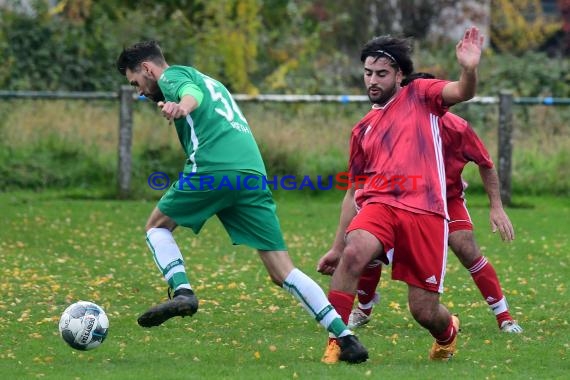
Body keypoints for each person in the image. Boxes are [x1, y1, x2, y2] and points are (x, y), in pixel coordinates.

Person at [115, 40, 368, 363]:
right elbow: (201, 92)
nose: (139, 91)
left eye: (136, 82)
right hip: (252, 176)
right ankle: (345, 338)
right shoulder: (209, 80)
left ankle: (182, 292)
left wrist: (181, 107)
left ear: (148, 69)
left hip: (213, 168)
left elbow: (192, 96)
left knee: (156, 228)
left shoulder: (171, 77)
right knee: (282, 271)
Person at [317, 26, 484, 363]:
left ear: (400, 75)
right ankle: (338, 341)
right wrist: (337, 247)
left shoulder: (421, 95)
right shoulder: (362, 129)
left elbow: (462, 92)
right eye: (367, 73)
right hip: (381, 204)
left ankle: (447, 331)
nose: (372, 81)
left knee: (423, 311)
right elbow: (352, 193)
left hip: (426, 212)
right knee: (354, 254)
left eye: (381, 73)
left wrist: (468, 69)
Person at [345, 74, 523, 335]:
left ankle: (504, 317)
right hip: (399, 202)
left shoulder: (457, 127)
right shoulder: (393, 125)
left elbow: (485, 163)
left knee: (467, 248)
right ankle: (363, 308)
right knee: (367, 249)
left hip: (447, 201)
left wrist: (496, 206)